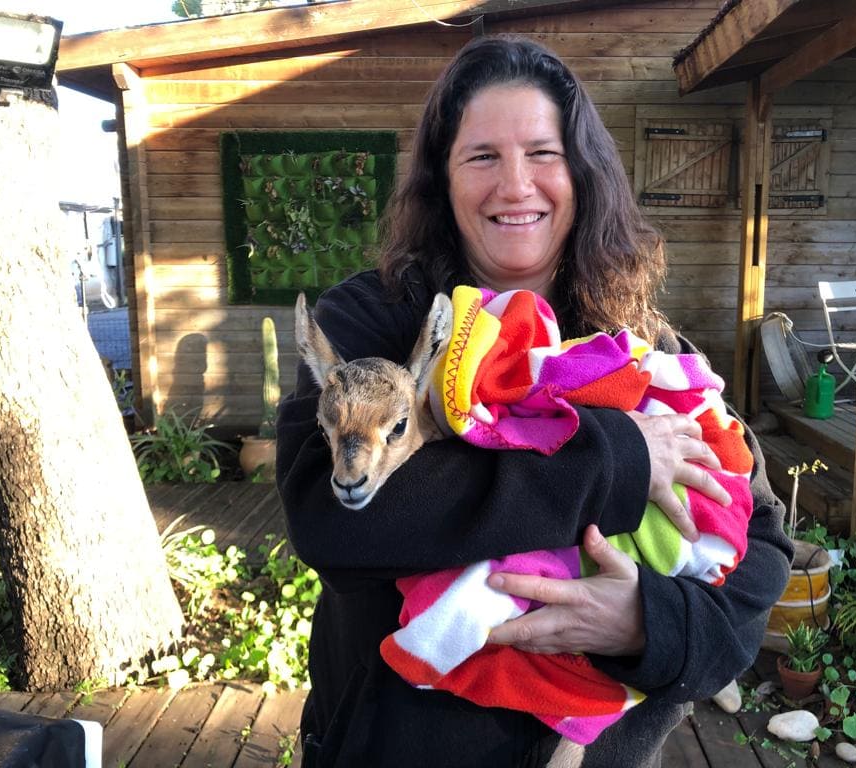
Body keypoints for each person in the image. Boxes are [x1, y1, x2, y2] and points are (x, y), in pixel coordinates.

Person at [276, 34, 793, 768]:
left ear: (581, 175)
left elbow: (760, 547)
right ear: (442, 181)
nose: (515, 185)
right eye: (482, 156)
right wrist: (615, 464)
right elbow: (332, 517)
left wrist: (649, 624)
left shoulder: (646, 350)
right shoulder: (371, 323)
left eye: (543, 154)